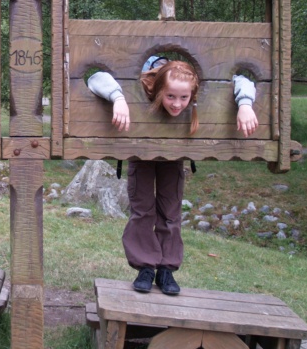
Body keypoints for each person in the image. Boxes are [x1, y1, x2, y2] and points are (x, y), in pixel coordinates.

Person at [88, 57, 258, 295]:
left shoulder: (198, 87)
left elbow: (241, 79)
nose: (177, 104)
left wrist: (246, 104)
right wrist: (118, 98)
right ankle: (145, 267)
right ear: (159, 90)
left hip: (175, 152)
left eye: (184, 97)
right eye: (170, 96)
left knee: (171, 211)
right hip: (141, 150)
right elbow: (95, 77)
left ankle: (166, 269)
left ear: (193, 94)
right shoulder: (145, 84)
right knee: (142, 209)